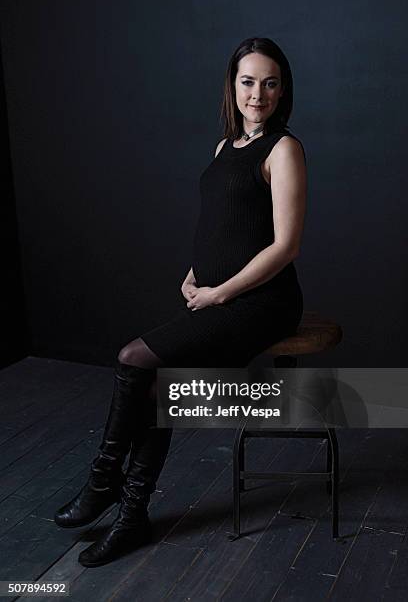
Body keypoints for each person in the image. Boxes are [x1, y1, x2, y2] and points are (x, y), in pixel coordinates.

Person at [54, 36, 307, 567]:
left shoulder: (284, 150)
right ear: (232, 86)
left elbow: (284, 246)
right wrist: (195, 275)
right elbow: (221, 227)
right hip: (217, 296)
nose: (256, 93)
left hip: (263, 303)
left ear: (282, 91)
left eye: (269, 83)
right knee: (153, 395)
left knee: (133, 359)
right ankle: (131, 517)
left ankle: (103, 482)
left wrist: (220, 292)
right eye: (247, 81)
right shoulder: (223, 148)